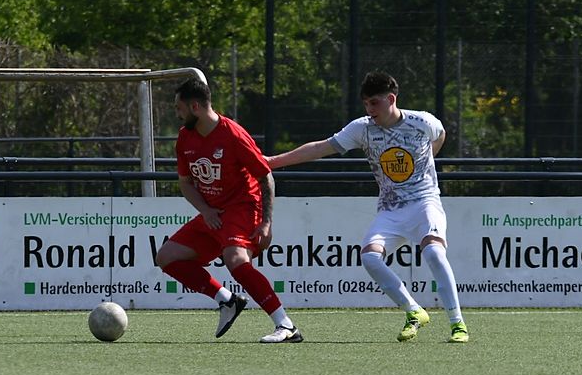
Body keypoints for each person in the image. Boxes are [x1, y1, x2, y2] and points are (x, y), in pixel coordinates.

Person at [266, 71, 468, 343]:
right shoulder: (362, 128)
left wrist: (428, 158)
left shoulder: (422, 122)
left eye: (374, 103)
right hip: (390, 210)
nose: (369, 109)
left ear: (391, 99)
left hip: (425, 203)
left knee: (433, 252)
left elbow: (440, 134)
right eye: (366, 104)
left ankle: (457, 324)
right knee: (370, 257)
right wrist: (272, 162)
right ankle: (414, 311)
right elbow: (320, 148)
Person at [155, 77, 303, 343]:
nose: (177, 114)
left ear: (195, 107)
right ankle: (227, 300)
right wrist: (205, 210)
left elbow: (265, 177)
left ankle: (286, 325)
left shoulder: (233, 135)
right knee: (166, 256)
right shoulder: (185, 137)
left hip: (243, 207)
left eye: (179, 108)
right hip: (213, 212)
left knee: (235, 259)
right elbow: (186, 183)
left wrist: (266, 223)